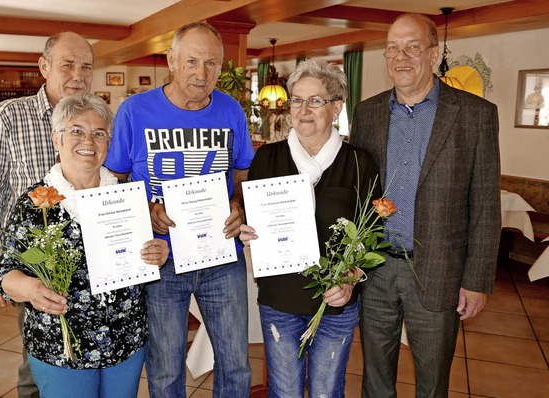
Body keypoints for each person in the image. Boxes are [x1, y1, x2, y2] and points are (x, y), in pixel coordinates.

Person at [349, 13, 501, 398]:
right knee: (375, 379)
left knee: (433, 384)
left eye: (413, 46)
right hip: (376, 269)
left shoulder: (475, 115)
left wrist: (476, 280)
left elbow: (485, 203)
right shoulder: (366, 113)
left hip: (439, 273)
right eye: (392, 48)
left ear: (432, 53)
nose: (401, 56)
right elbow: (355, 191)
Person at [104, 21, 253, 398]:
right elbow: (114, 179)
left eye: (211, 63)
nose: (201, 73)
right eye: (191, 61)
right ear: (171, 60)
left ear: (222, 67)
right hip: (161, 258)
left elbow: (243, 171)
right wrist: (146, 209)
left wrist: (238, 202)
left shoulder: (232, 110)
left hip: (221, 255)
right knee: (165, 368)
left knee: (235, 364)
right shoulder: (134, 111)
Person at [0, 93, 169, 398]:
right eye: (76, 130)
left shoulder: (127, 195)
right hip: (61, 347)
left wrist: (159, 252)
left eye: (99, 133)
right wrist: (31, 289)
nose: (88, 140)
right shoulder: (37, 203)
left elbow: (147, 251)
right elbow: (5, 273)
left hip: (124, 340)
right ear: (56, 139)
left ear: (108, 142)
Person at [239, 59, 379, 398]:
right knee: (284, 391)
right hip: (280, 300)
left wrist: (351, 278)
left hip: (336, 302)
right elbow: (251, 220)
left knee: (326, 392)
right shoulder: (267, 159)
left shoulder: (359, 163)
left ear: (336, 107)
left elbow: (374, 234)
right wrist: (247, 233)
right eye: (297, 100)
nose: (303, 110)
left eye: (315, 100)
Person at [0, 31, 94, 398]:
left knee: (85, 350)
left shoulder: (97, 116)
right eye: (67, 64)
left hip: (92, 257)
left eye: (86, 66)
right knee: (38, 356)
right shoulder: (8, 116)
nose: (78, 74)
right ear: (44, 67)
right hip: (35, 258)